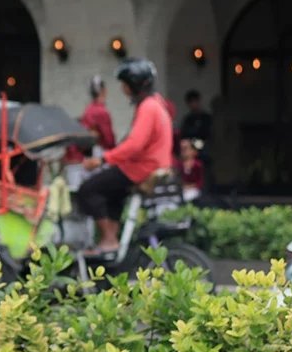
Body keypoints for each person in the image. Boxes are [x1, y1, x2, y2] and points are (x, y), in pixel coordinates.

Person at [78, 58, 173, 253]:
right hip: (150, 166)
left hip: (140, 168)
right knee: (113, 192)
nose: (123, 89)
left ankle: (109, 239)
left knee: (88, 190)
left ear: (135, 84)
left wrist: (102, 160)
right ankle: (112, 242)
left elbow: (134, 145)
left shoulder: (148, 107)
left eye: (125, 84)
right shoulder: (157, 103)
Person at [176, 137, 205, 202]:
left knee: (188, 196)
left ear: (193, 151)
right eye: (181, 149)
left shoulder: (197, 164)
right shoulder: (178, 164)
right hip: (181, 189)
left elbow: (200, 182)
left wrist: (190, 186)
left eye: (186, 149)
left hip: (193, 190)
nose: (183, 152)